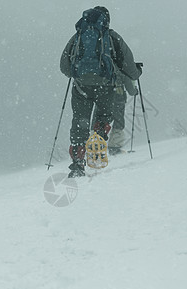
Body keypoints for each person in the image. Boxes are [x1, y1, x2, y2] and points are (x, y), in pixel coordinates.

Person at [60, 6, 142, 177]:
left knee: (80, 122)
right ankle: (98, 135)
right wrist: (136, 72)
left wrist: (78, 74)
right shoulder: (111, 37)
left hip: (81, 86)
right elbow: (127, 62)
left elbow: (64, 66)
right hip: (105, 86)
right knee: (104, 116)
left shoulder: (78, 36)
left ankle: (77, 162)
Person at [92, 72, 138, 155]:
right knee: (118, 122)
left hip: (101, 94)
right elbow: (131, 89)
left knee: (99, 120)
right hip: (117, 96)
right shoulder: (121, 67)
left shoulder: (100, 62)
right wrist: (134, 90)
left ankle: (94, 146)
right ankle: (114, 147)